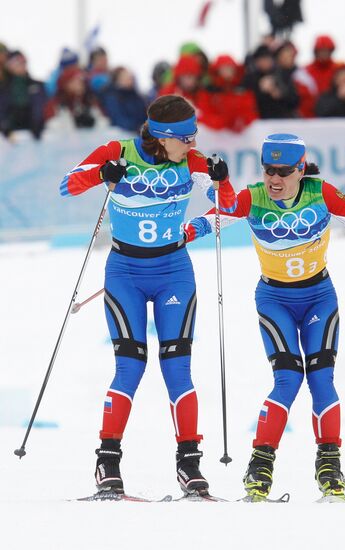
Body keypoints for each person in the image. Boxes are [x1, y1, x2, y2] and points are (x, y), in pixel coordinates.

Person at [184, 133, 345, 501]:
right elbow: (211, 220)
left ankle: (330, 469)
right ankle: (260, 467)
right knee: (287, 380)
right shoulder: (252, 197)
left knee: (322, 379)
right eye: (269, 171)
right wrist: (175, 239)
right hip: (274, 300)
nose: (274, 180)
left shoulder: (321, 192)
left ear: (301, 170)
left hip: (319, 298)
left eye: (283, 172)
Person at [59, 94, 236, 497]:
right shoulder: (117, 152)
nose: (194, 144)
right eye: (187, 137)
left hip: (174, 272)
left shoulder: (192, 162)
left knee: (177, 369)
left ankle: (189, 465)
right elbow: (67, 186)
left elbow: (228, 207)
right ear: (163, 136)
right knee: (130, 367)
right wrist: (103, 174)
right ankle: (107, 462)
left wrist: (222, 181)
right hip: (125, 274)